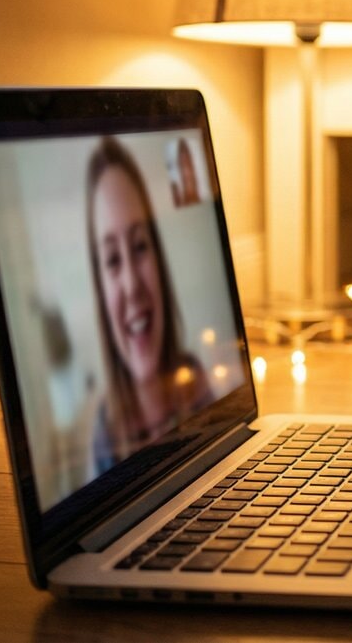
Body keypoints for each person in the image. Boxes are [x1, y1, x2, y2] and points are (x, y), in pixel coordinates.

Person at [87, 136, 213, 471]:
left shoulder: (198, 381)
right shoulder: (104, 440)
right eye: (113, 259)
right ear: (100, 289)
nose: (131, 284)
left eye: (140, 246)